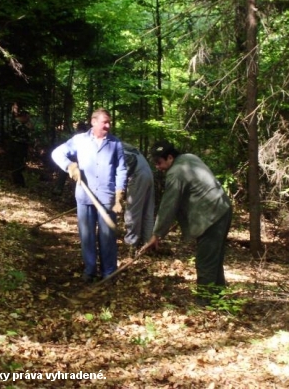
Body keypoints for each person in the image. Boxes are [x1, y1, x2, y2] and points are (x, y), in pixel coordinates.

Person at [146, 140, 232, 306]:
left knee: (205, 261)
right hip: (223, 208)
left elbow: (168, 205)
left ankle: (205, 304)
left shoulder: (175, 173)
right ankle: (218, 299)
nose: (158, 166)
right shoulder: (189, 158)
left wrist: (157, 234)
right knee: (215, 258)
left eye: (159, 162)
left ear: (170, 157)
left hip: (211, 216)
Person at [52, 108, 127, 283]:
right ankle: (90, 270)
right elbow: (57, 153)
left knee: (107, 238)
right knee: (87, 236)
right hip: (85, 197)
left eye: (109, 122)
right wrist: (70, 166)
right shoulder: (79, 141)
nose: (108, 125)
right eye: (105, 122)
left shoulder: (115, 144)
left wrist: (118, 196)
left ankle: (109, 273)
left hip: (107, 198)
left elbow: (121, 170)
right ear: (93, 122)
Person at [121, 142, 155, 255]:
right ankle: (148, 243)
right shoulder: (123, 145)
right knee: (147, 210)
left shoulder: (110, 146)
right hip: (147, 172)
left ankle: (131, 244)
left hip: (137, 174)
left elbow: (129, 163)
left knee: (133, 210)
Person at [52, 121, 89, 197]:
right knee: (65, 174)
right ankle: (59, 189)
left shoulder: (85, 138)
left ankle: (67, 192)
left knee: (77, 178)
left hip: (78, 161)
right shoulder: (77, 138)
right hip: (70, 161)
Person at [9, 110, 33, 187]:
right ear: (23, 117)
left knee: (20, 162)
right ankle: (18, 182)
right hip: (18, 145)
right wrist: (28, 128)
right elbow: (24, 133)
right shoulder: (17, 124)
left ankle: (19, 181)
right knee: (18, 163)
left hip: (22, 145)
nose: (28, 120)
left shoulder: (22, 124)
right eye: (27, 118)